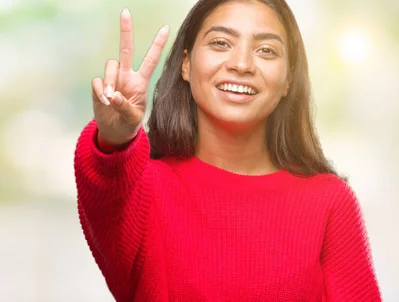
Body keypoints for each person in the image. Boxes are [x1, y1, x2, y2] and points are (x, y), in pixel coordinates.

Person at [74, 0, 381, 301]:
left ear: (288, 79)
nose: (242, 64)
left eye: (266, 50)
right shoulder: (144, 190)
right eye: (221, 43)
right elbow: (107, 189)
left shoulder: (329, 203)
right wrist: (116, 138)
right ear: (186, 64)